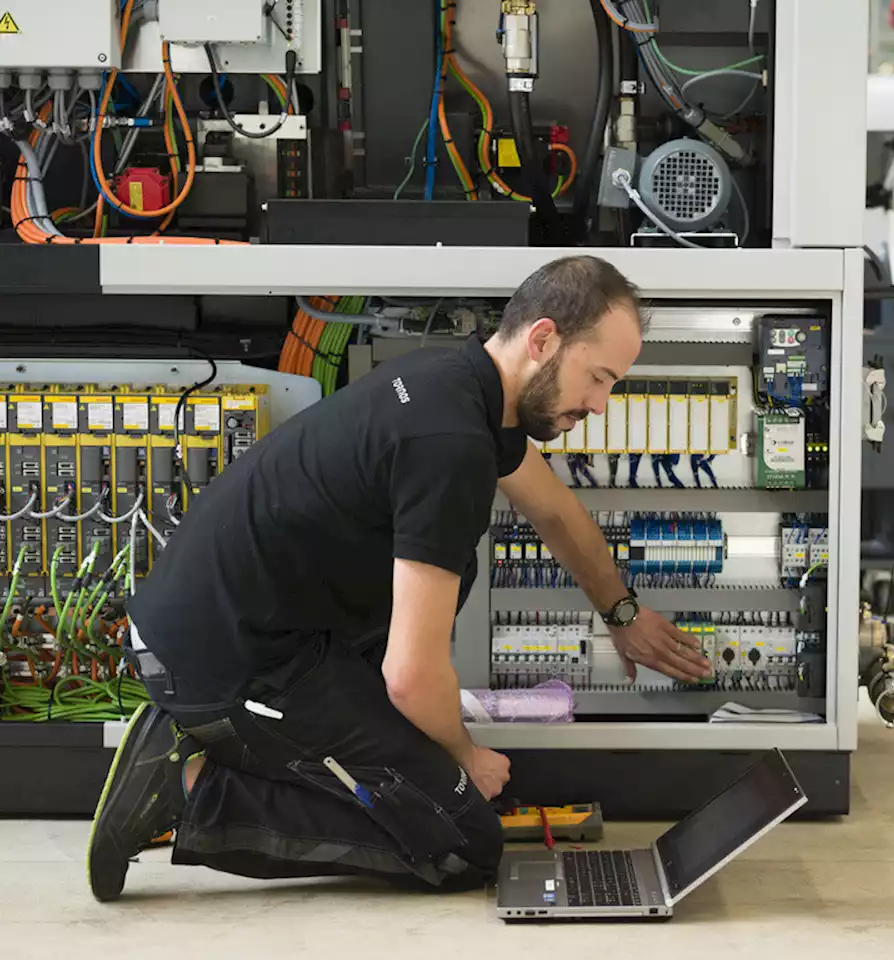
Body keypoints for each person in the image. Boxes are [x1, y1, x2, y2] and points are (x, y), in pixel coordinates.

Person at [87, 255, 713, 902]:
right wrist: (465, 758)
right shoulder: (449, 443)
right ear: (544, 339)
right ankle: (188, 791)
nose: (601, 405)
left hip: (266, 632)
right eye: (599, 378)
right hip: (225, 660)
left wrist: (623, 615)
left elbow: (555, 511)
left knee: (425, 772)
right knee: (460, 843)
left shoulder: (459, 387)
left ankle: (243, 756)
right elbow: (410, 677)